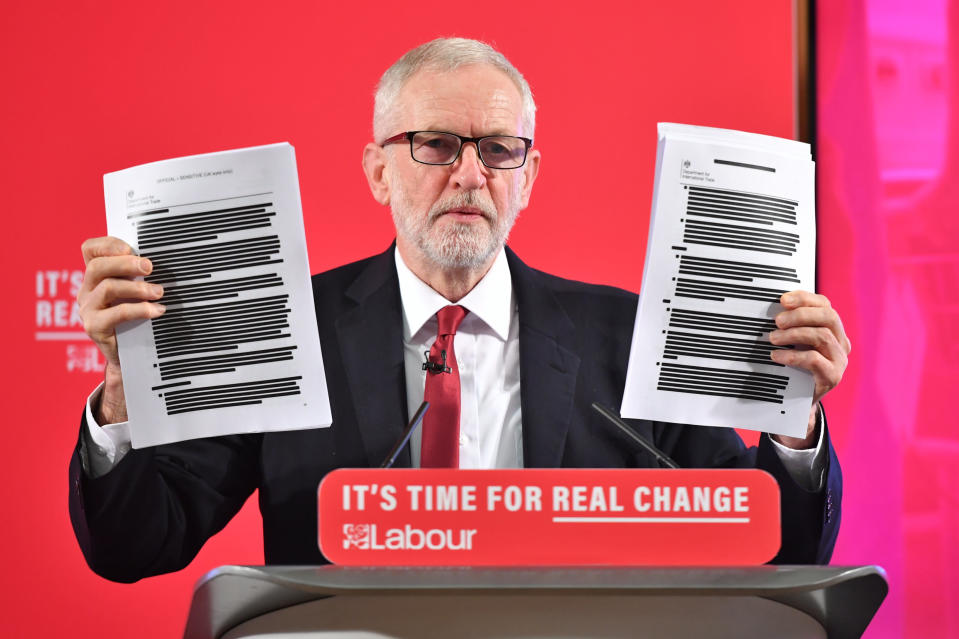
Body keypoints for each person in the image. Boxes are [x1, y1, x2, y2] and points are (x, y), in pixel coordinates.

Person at [70, 38, 849, 583]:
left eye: (498, 149)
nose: (471, 174)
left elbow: (773, 548)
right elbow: (137, 543)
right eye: (435, 145)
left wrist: (790, 427)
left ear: (528, 175)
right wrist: (121, 390)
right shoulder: (285, 327)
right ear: (377, 171)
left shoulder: (628, 337)